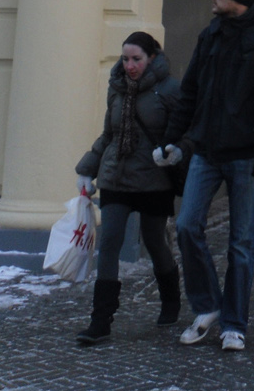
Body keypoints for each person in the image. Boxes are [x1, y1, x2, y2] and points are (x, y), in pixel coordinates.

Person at [153, 0, 254, 354]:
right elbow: (191, 91)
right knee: (186, 225)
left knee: (241, 244)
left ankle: (234, 323)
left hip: (246, 156)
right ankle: (208, 306)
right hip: (208, 151)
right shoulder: (210, 35)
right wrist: (174, 139)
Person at [74, 30, 183, 346]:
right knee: (108, 241)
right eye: (125, 59)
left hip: (153, 180)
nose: (130, 65)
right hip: (115, 175)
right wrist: (87, 167)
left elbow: (183, 132)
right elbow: (109, 134)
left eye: (136, 59)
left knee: (154, 240)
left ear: (151, 58)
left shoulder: (170, 90)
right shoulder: (117, 88)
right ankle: (101, 320)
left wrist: (175, 151)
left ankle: (171, 299)